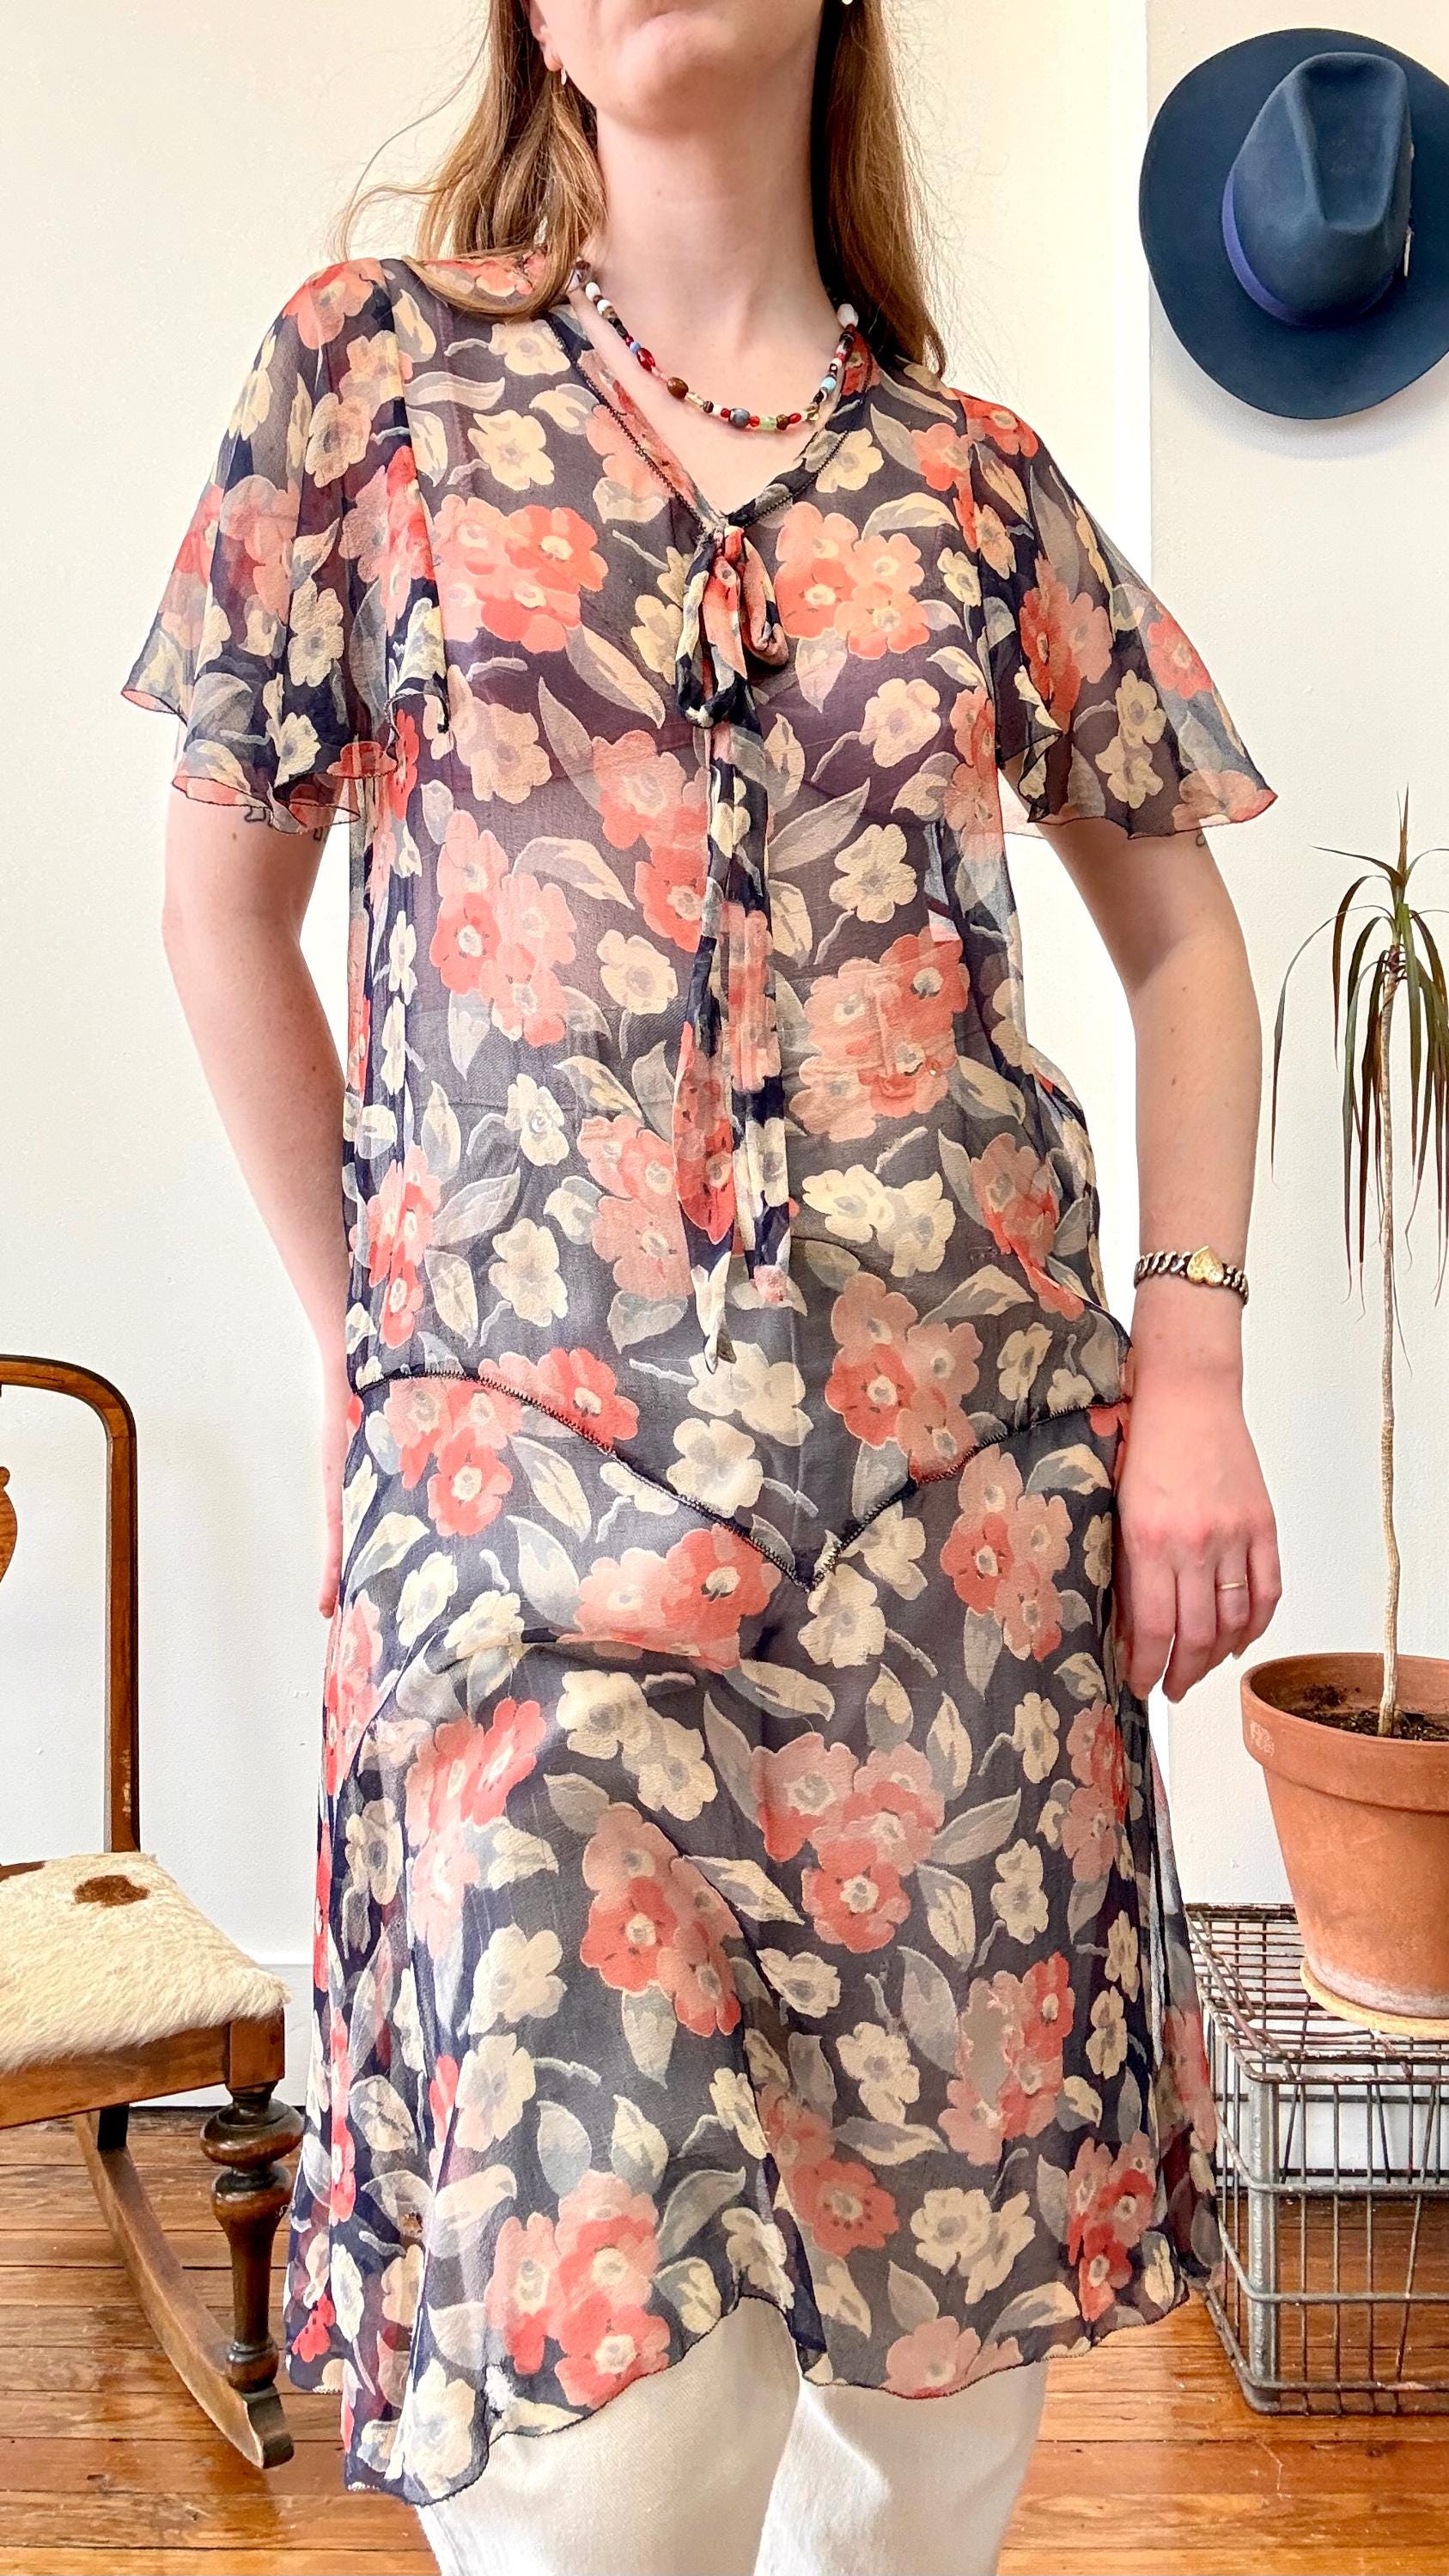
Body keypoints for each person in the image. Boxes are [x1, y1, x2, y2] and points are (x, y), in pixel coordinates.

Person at [119, 3, 1282, 2569]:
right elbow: (220, 903)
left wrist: (1191, 1356)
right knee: (607, 2421)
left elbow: (1189, 944)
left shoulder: (976, 481)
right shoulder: (369, 379)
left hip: (961, 1532)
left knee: (931, 2407)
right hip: (529, 1518)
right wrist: (366, 1353)